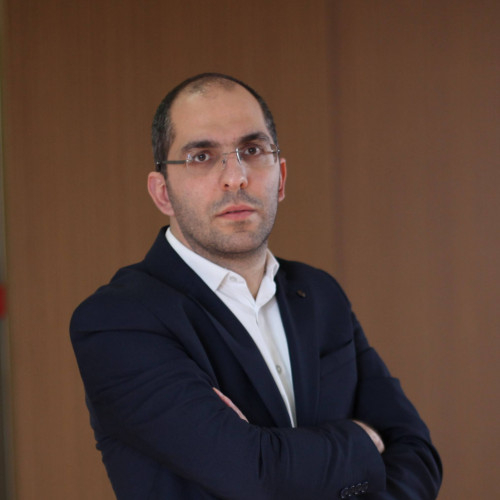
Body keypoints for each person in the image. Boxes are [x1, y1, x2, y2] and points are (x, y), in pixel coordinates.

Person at [70, 73, 442, 500]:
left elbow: (417, 455)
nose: (235, 177)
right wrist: (362, 440)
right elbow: (252, 474)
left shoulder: (320, 295)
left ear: (280, 177)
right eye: (201, 156)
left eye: (251, 150)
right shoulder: (117, 321)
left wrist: (278, 455)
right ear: (163, 193)